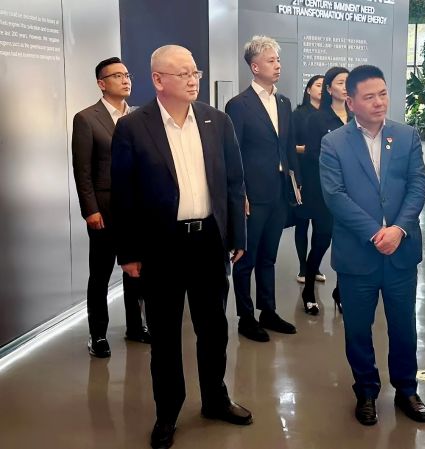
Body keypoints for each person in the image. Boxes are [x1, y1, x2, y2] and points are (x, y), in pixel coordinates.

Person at [111, 45, 252, 449]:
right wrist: (128, 253)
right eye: (184, 74)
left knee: (214, 328)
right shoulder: (133, 127)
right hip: (162, 246)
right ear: (158, 80)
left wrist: (237, 235)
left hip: (208, 240)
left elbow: (233, 184)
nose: (193, 80)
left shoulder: (216, 120)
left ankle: (215, 398)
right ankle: (168, 411)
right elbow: (123, 196)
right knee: (165, 335)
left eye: (196, 73)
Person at [319, 65, 425, 425]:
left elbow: (418, 184)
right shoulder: (334, 143)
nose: (379, 102)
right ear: (351, 102)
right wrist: (374, 232)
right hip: (358, 254)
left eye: (383, 94)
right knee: (357, 329)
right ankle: (366, 390)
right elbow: (334, 195)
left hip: (401, 251)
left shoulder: (406, 136)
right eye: (369, 97)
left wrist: (398, 229)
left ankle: (407, 389)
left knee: (403, 326)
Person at [72, 57, 148, 359]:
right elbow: (83, 171)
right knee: (101, 275)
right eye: (117, 76)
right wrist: (90, 210)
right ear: (101, 84)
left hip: (136, 210)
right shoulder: (86, 119)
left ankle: (135, 327)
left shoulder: (139, 117)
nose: (125, 80)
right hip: (104, 209)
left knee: (136, 271)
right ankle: (98, 335)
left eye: (127, 74)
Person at [226, 36, 301, 342]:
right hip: (252, 197)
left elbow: (288, 147)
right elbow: (233, 154)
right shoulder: (239, 105)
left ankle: (268, 311)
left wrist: (296, 184)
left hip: (279, 192)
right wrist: (239, 194)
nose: (277, 65)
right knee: (246, 260)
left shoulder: (283, 102)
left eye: (278, 60)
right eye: (271, 61)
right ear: (255, 67)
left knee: (269, 257)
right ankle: (246, 318)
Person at [300, 67, 350, 315]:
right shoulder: (317, 119)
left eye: (349, 82)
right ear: (329, 89)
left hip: (352, 192)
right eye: (340, 82)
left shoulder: (356, 116)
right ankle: (308, 290)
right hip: (325, 192)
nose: (346, 86)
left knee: (346, 244)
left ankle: (340, 293)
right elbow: (311, 154)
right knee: (322, 240)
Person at [291, 75, 325, 284]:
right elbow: (289, 145)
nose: (322, 89)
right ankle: (303, 268)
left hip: (324, 176)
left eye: (324, 85)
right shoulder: (298, 114)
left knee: (321, 225)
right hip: (305, 173)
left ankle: (314, 266)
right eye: (318, 85)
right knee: (302, 222)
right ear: (309, 90)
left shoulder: (328, 115)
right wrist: (308, 149)